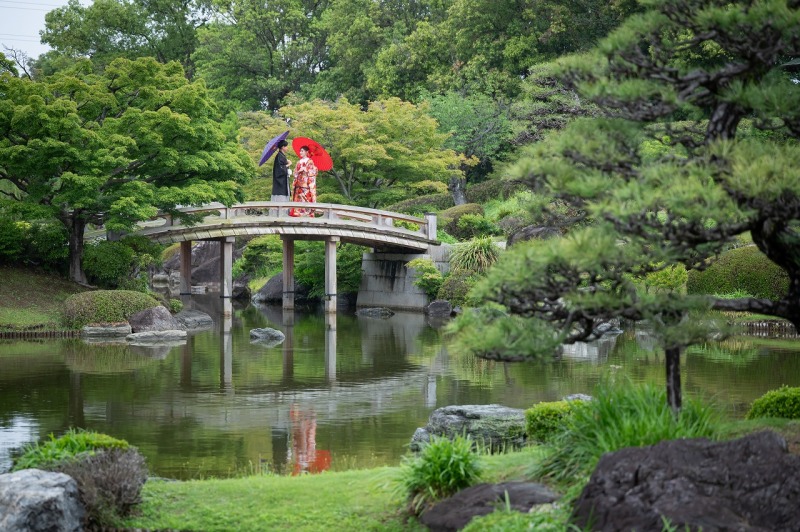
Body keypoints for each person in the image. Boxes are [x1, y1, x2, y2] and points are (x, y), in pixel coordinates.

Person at [289, 146, 318, 217]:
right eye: (300, 151)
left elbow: (313, 172)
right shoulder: (299, 162)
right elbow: (295, 173)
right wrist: (299, 171)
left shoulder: (310, 161)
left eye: (302, 151)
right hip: (298, 185)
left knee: (305, 200)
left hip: (306, 186)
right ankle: (296, 215)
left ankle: (306, 216)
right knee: (297, 201)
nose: (300, 152)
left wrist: (306, 170)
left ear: (306, 152)